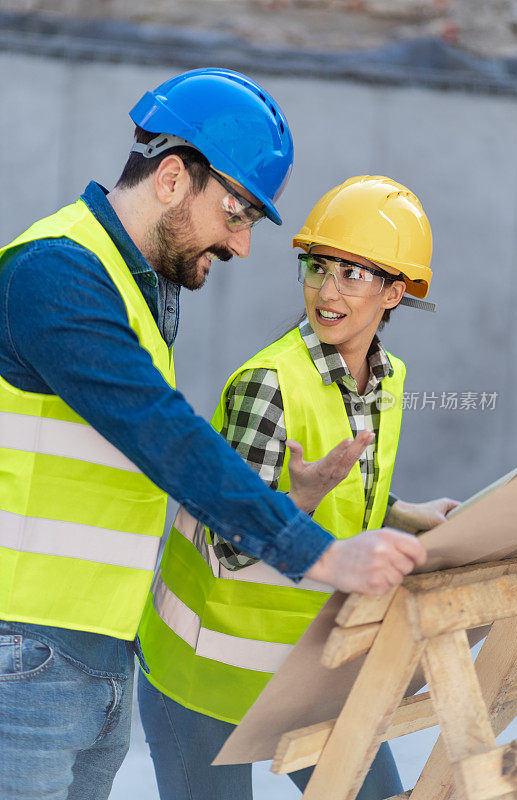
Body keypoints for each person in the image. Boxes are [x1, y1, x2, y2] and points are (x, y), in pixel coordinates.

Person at [0, 69, 427, 800]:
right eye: (239, 214)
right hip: (27, 651)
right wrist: (319, 555)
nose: (242, 245)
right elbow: (165, 436)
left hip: (93, 653)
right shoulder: (57, 272)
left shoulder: (135, 282)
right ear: (173, 178)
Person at [137, 176, 459, 800]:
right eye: (317, 267)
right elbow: (227, 543)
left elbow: (350, 493)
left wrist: (403, 513)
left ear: (396, 292)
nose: (326, 290)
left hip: (309, 668)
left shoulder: (388, 381)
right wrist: (302, 500)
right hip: (203, 671)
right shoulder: (269, 383)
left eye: (352, 274)